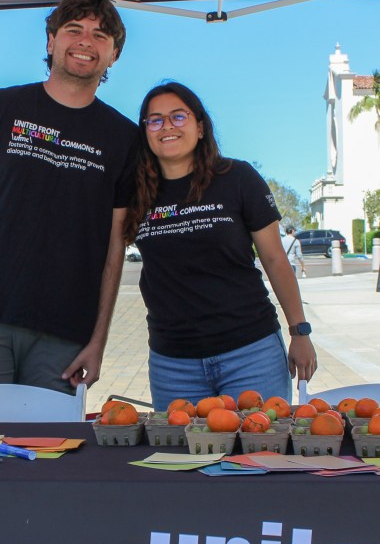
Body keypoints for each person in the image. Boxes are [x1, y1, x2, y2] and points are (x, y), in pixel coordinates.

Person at [0, 0, 138, 392]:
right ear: (51, 40)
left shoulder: (125, 138)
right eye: (74, 30)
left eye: (100, 35)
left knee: (53, 452)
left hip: (65, 336)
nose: (86, 41)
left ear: (114, 55)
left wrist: (98, 342)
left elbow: (114, 248)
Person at [123, 81, 317, 410]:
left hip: (250, 352)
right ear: (146, 133)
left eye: (178, 116)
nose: (166, 126)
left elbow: (274, 259)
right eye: (155, 120)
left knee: (259, 454)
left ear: (200, 127)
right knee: (183, 458)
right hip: (173, 363)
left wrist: (300, 332)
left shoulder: (237, 178)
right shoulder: (134, 193)